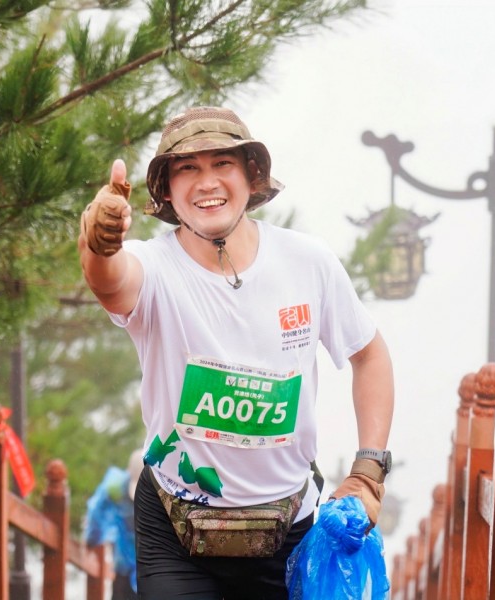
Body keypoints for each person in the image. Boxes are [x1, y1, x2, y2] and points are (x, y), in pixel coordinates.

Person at [77, 106, 394, 600]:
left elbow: (368, 354)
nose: (207, 183)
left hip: (289, 528)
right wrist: (99, 243)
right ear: (165, 190)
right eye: (187, 168)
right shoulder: (153, 267)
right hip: (177, 527)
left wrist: (368, 470)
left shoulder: (307, 263)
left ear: (251, 177)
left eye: (222, 164)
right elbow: (111, 279)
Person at [84, 450, 143, 600]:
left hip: (152, 562)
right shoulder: (114, 487)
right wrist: (92, 540)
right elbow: (96, 513)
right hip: (124, 560)